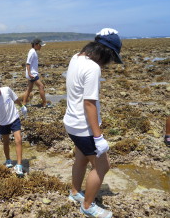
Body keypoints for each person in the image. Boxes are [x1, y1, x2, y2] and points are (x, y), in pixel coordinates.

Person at [63, 28, 123, 218]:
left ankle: (75, 193)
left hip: (71, 123)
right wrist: (98, 137)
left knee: (81, 157)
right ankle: (87, 206)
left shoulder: (76, 57)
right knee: (102, 166)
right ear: (106, 52)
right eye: (112, 58)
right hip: (84, 127)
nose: (109, 63)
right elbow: (89, 103)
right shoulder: (93, 68)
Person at [0, 75, 27, 176]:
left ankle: (19, 165)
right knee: (6, 142)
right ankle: (8, 160)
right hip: (2, 123)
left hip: (14, 118)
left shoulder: (7, 90)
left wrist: (22, 106)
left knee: (18, 140)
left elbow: (15, 99)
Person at [22, 38, 50, 107]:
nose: (41, 47)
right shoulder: (32, 52)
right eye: (40, 45)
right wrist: (29, 73)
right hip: (32, 74)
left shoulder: (33, 51)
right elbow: (28, 63)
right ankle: (44, 103)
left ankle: (24, 103)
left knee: (29, 88)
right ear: (36, 45)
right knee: (41, 86)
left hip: (32, 73)